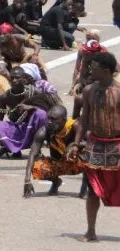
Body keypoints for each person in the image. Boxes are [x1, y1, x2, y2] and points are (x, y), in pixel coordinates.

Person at [68, 52, 120, 242]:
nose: (90, 69)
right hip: (95, 145)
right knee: (92, 190)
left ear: (105, 71)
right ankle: (91, 231)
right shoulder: (89, 90)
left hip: (117, 145)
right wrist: (76, 143)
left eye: (94, 66)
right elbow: (83, 119)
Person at [0, 67, 56, 159]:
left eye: (17, 78)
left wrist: (32, 107)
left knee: (41, 114)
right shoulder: (5, 97)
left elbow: (49, 109)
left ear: (24, 79)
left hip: (32, 129)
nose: (14, 80)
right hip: (16, 129)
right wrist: (3, 144)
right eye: (12, 78)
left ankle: (37, 148)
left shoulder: (33, 92)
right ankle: (13, 148)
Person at [23, 105, 83, 198]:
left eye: (54, 119)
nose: (50, 121)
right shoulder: (44, 130)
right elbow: (32, 153)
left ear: (64, 119)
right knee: (37, 165)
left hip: (78, 162)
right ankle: (56, 182)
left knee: (91, 156)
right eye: (49, 118)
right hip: (59, 162)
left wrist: (73, 145)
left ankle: (86, 186)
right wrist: (27, 180)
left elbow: (91, 145)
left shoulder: (75, 126)